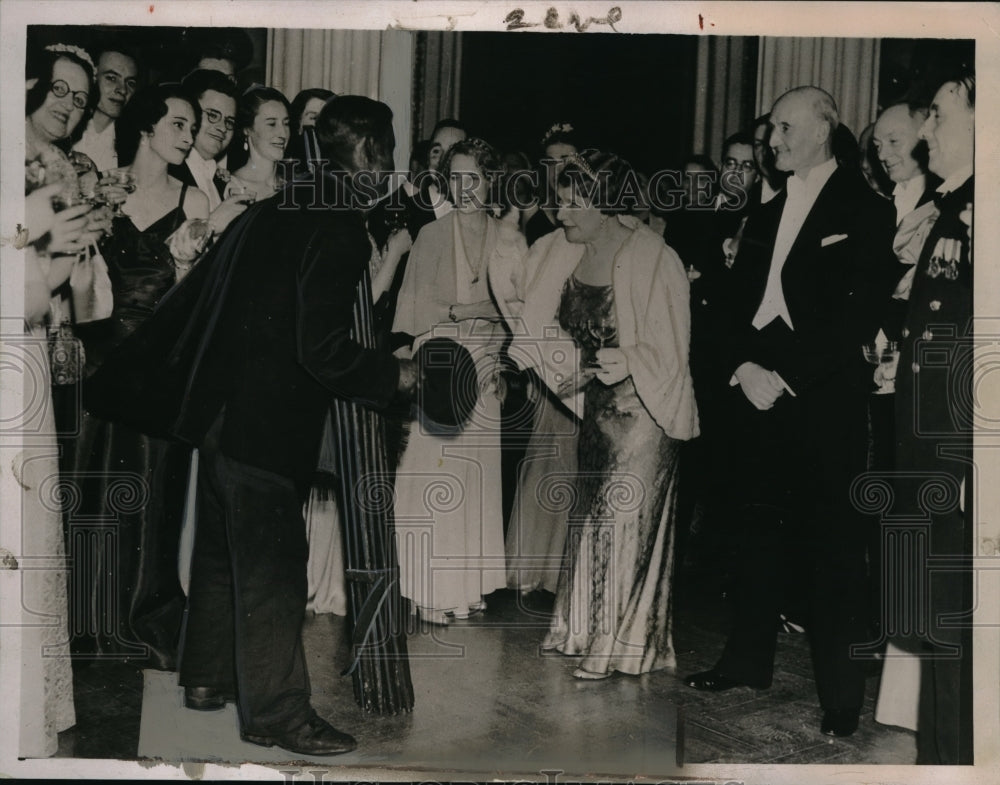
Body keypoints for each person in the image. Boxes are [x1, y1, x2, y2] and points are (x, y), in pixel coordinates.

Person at [84, 95, 424, 755]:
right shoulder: (338, 227)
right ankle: (277, 713)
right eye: (381, 151)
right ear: (361, 157)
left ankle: (207, 680)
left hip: (218, 419)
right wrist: (396, 375)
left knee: (219, 555)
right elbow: (321, 351)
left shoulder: (275, 208)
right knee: (274, 569)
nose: (387, 166)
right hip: (268, 429)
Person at [682, 86, 901, 739]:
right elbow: (728, 305)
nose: (770, 140)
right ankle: (746, 659)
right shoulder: (762, 211)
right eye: (771, 127)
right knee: (753, 534)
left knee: (834, 553)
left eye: (783, 127)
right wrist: (743, 368)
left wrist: (787, 375)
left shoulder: (867, 210)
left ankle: (841, 696)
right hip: (754, 394)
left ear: (821, 130)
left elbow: (855, 319)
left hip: (822, 403)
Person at [507, 150, 698, 679]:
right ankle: (580, 628)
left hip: (644, 417)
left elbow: (675, 350)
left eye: (572, 204)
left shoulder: (655, 256)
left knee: (623, 525)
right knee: (590, 520)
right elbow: (548, 327)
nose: (561, 213)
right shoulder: (562, 253)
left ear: (605, 204)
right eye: (560, 202)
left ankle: (620, 644)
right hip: (596, 413)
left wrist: (630, 360)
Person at [69, 83, 209, 669]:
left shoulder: (197, 200)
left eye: (192, 127)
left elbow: (197, 298)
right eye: (179, 124)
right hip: (103, 358)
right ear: (148, 128)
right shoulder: (103, 188)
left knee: (153, 495)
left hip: (159, 367)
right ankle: (87, 620)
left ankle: (145, 618)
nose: (189, 136)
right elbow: (79, 285)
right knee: (95, 491)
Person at [392, 137, 526, 625]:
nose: (465, 187)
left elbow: (519, 313)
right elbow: (413, 311)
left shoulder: (509, 238)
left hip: (487, 368)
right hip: (441, 366)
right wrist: (466, 311)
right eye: (456, 177)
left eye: (475, 177)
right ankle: (430, 589)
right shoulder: (430, 235)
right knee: (436, 478)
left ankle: (466, 587)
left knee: (475, 481)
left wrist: (499, 362)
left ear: (491, 181)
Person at [17, 40, 103, 758]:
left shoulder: (67, 171)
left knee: (34, 524)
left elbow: (88, 301)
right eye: (59, 89)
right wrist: (39, 237)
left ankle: (29, 701)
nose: (69, 105)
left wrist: (79, 250)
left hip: (34, 357)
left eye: (80, 96)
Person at [891, 72, 974, 765]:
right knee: (944, 626)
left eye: (941, 117)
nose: (926, 133)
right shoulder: (952, 209)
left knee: (964, 634)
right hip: (933, 452)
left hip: (964, 459)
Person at [168, 69, 253, 231]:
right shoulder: (168, 173)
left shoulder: (226, 181)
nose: (222, 128)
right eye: (213, 115)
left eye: (229, 122)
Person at [71, 41, 139, 173]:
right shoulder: (66, 126)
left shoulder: (135, 143)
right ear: (91, 78)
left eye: (130, 83)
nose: (123, 90)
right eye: (112, 78)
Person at [224, 85, 291, 199]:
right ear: (247, 129)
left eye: (286, 124)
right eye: (271, 124)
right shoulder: (232, 187)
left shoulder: (292, 185)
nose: (283, 134)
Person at [523, 121, 581, 246]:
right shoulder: (536, 224)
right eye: (551, 163)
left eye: (566, 161)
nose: (557, 171)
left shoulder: (596, 215)